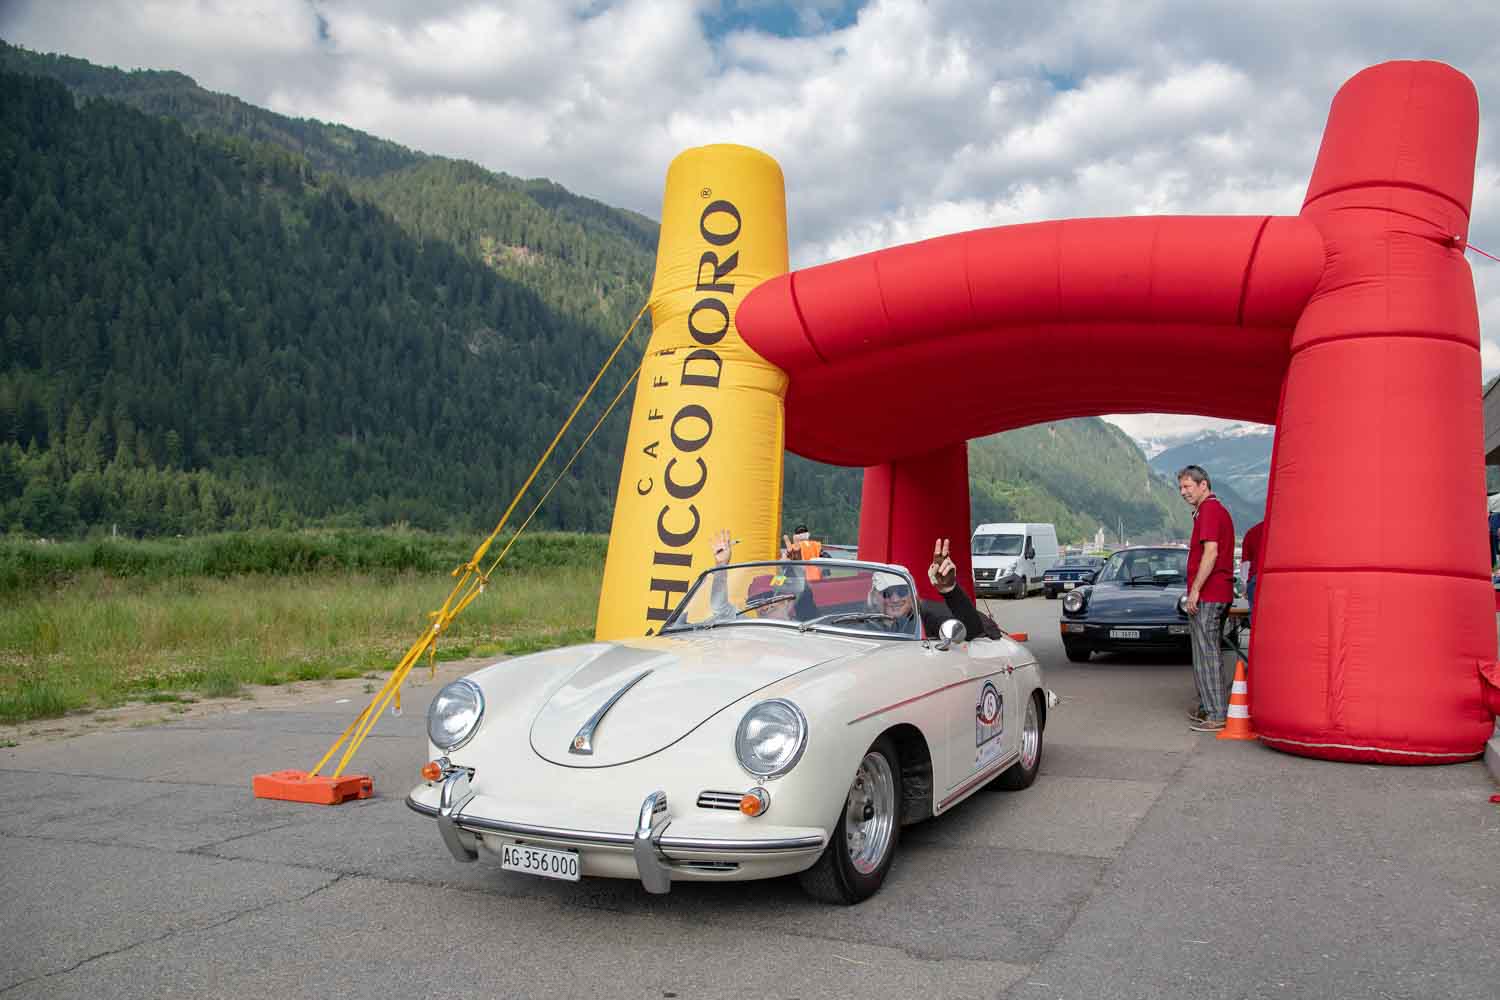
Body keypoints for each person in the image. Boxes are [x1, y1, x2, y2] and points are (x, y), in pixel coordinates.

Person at [1177, 465, 1236, 732]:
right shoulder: (1210, 510)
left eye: (1188, 486)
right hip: (1216, 592)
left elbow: (1210, 552)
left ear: (1204, 485)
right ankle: (1208, 707)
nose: (1183, 492)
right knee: (1204, 651)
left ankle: (1216, 713)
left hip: (1210, 594)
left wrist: (1196, 590)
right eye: (1181, 487)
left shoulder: (1210, 510)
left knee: (1207, 652)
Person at [870, 538, 988, 640]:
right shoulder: (859, 621)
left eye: (902, 591)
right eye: (887, 593)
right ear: (875, 596)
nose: (895, 599)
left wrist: (950, 589)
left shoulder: (930, 617)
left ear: (912, 594)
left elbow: (972, 632)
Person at [709, 528, 817, 620]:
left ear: (787, 602)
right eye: (756, 601)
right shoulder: (750, 626)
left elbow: (803, 593)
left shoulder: (802, 626)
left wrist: (797, 567)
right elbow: (720, 608)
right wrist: (721, 565)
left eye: (769, 597)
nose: (764, 605)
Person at [1240, 519, 1265, 625]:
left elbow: (1245, 563)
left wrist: (1245, 587)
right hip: (1281, 580)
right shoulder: (1286, 530)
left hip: (1256, 579)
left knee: (1257, 623)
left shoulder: (1252, 532)